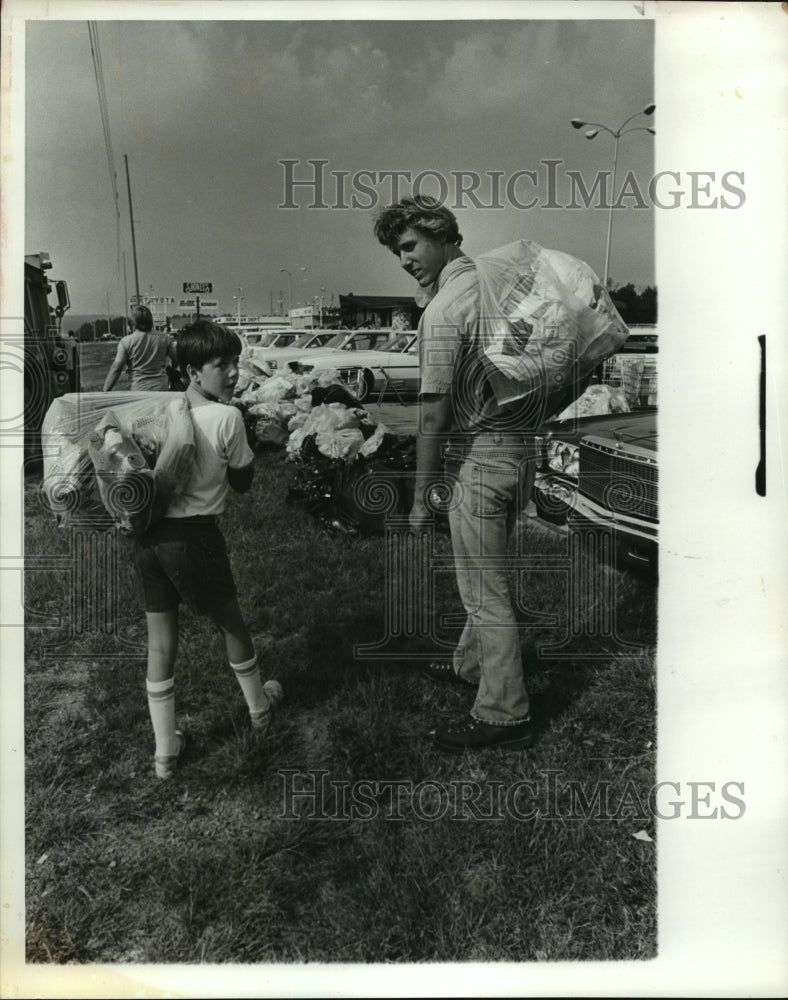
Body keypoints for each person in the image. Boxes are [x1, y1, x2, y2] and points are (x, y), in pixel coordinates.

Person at [374, 195, 535, 753]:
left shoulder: (444, 310)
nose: (404, 259)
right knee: (485, 574)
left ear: (441, 234)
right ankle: (471, 665)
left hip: (481, 458)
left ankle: (503, 710)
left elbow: (433, 413)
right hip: (520, 451)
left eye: (410, 245)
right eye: (398, 251)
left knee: (483, 590)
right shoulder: (491, 282)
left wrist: (419, 498)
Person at [133, 319, 281, 778]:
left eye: (236, 362)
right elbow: (242, 483)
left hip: (148, 538)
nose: (235, 373)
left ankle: (165, 751)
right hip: (195, 538)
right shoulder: (227, 418)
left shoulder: (158, 412)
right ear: (194, 372)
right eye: (223, 365)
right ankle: (259, 710)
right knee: (231, 623)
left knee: (160, 642)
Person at [103, 305, 176, 392]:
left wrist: (106, 390)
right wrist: (171, 368)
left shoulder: (126, 342)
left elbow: (117, 368)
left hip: (139, 388)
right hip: (161, 388)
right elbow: (177, 359)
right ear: (151, 320)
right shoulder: (164, 338)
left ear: (134, 322)